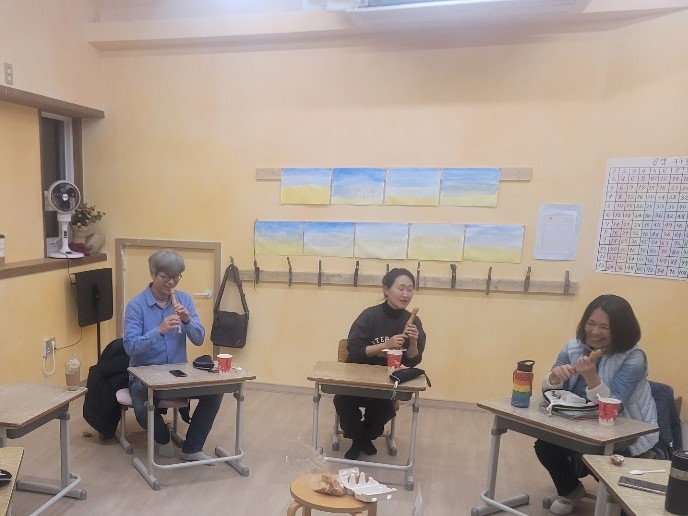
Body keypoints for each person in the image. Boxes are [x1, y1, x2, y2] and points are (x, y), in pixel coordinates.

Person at [535, 294, 659, 515]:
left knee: (603, 468)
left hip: (625, 432)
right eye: (591, 323)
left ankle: (616, 496)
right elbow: (553, 393)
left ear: (621, 330)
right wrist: (553, 378)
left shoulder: (634, 358)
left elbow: (614, 407)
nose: (594, 332)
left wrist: (591, 377)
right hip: (580, 423)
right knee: (545, 445)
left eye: (604, 327)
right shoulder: (572, 348)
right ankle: (570, 491)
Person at [123, 249, 222, 461]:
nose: (171, 282)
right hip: (143, 374)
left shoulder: (184, 299)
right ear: (152, 274)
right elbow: (130, 347)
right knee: (142, 408)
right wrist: (159, 330)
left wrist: (187, 320)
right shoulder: (136, 306)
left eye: (176, 277)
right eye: (165, 277)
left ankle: (192, 448)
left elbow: (199, 339)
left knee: (215, 392)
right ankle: (163, 438)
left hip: (177, 373)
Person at [334, 267, 426, 460]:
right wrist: (386, 345)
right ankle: (359, 438)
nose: (406, 294)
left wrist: (413, 342)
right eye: (401, 288)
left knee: (385, 407)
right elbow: (355, 350)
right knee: (342, 401)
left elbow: (413, 361)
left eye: (410, 289)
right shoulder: (369, 316)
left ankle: (364, 438)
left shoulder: (413, 322)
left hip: (387, 384)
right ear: (386, 289)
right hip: (356, 380)